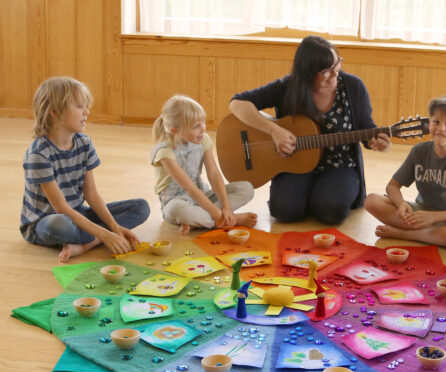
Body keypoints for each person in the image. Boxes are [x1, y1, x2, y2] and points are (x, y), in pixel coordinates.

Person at [229, 35, 390, 224]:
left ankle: (319, 195)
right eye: (326, 71)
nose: (335, 74)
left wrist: (376, 142)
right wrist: (274, 131)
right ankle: (309, 194)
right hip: (294, 164)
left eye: (337, 63)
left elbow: (366, 127)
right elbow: (237, 103)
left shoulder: (353, 87)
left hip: (340, 165)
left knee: (331, 211)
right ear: (307, 74)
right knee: (285, 212)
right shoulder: (288, 87)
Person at [21, 76, 150, 263]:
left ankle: (83, 245)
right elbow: (61, 208)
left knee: (141, 207)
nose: (87, 112)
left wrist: (114, 227)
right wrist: (106, 235)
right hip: (47, 221)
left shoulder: (84, 142)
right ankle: (91, 238)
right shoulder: (38, 154)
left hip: (77, 213)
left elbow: (91, 194)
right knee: (61, 225)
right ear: (55, 113)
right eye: (80, 107)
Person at [364, 95, 446, 248]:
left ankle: (403, 234)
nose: (441, 129)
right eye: (436, 122)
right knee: (371, 201)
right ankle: (433, 235)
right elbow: (392, 187)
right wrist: (401, 204)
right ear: (429, 124)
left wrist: (433, 217)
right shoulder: (419, 151)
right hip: (420, 213)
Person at [152, 95, 257, 236]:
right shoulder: (164, 152)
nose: (203, 129)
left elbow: (214, 174)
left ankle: (203, 221)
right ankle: (231, 220)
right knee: (182, 211)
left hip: (202, 194)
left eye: (203, 123)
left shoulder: (203, 139)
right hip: (175, 200)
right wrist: (218, 214)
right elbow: (188, 187)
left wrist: (226, 207)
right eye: (196, 126)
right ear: (174, 130)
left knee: (246, 189)